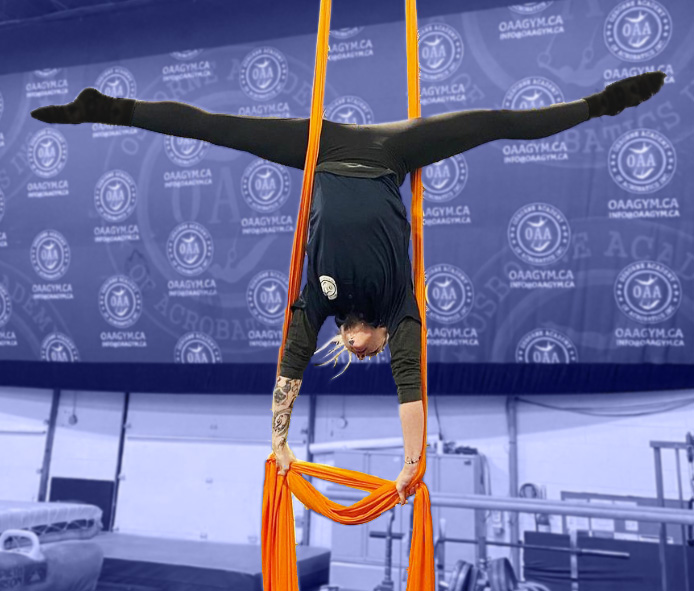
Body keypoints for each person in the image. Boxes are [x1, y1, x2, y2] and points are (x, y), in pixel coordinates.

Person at [31, 71, 666, 505]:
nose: (367, 357)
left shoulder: (320, 301)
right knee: (496, 123)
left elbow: (289, 371)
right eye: (375, 356)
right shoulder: (401, 308)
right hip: (391, 153)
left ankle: (602, 103)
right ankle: (105, 107)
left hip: (327, 150)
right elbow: (411, 389)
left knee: (218, 128)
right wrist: (412, 462)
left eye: (357, 357)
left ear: (346, 338)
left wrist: (279, 444)